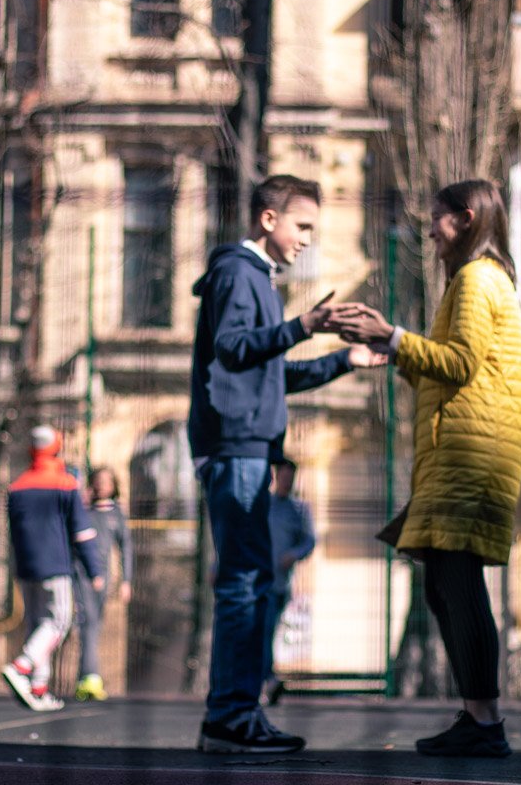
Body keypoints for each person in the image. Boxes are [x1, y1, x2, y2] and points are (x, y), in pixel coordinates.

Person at [330, 179, 521, 758]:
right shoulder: (478, 280)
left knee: (457, 585)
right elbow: (450, 371)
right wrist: (391, 351)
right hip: (465, 453)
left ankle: (485, 721)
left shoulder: (476, 279)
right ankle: (478, 717)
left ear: (465, 218)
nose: (430, 232)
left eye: (437, 219)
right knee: (445, 587)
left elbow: (460, 364)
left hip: (470, 456)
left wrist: (393, 335)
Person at [188, 174, 386, 753]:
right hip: (236, 449)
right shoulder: (237, 274)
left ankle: (235, 715)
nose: (307, 239)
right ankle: (231, 717)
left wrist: (344, 359)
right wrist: (304, 325)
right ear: (268, 219)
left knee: (252, 582)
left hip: (248, 448)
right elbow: (233, 348)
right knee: (244, 583)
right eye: (302, 226)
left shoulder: (258, 281)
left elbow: (274, 373)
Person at [2, 425, 104, 712]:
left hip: (25, 567)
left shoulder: (17, 486)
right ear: (57, 449)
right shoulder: (65, 484)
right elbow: (81, 532)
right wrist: (94, 570)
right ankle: (21, 667)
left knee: (38, 626)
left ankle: (38, 688)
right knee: (58, 622)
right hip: (55, 565)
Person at [72, 466, 134, 702]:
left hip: (103, 578)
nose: (101, 485)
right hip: (81, 574)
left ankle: (84, 678)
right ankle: (91, 677)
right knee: (88, 623)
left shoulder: (117, 514)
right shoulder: (83, 511)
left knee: (94, 625)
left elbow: (126, 547)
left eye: (107, 481)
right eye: (98, 481)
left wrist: (126, 581)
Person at [261, 458, 316, 705]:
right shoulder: (263, 506)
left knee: (266, 632)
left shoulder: (299, 509)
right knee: (261, 632)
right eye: (284, 475)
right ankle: (268, 679)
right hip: (258, 582)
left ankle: (267, 679)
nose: (287, 481)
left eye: (291, 477)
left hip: (280, 584)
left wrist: (294, 554)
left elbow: (309, 541)